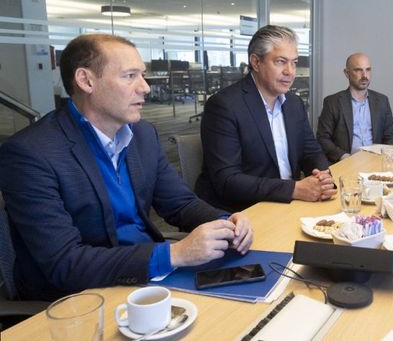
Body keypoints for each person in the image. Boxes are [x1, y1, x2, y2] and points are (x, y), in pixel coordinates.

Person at [0, 34, 253, 301]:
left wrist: (226, 222)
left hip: (149, 275)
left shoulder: (142, 134)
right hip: (82, 296)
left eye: (141, 75)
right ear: (86, 81)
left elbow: (180, 204)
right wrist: (175, 254)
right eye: (130, 76)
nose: (144, 87)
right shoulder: (30, 153)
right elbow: (65, 263)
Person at [196, 25, 335, 211]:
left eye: (294, 62)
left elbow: (311, 152)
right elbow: (227, 180)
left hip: (286, 203)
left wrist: (322, 176)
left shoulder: (293, 103)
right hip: (243, 211)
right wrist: (294, 189)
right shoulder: (224, 106)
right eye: (280, 61)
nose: (290, 71)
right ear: (256, 62)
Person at [316, 52, 393, 162]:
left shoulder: (382, 101)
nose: (364, 76)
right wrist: (345, 157)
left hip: (376, 162)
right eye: (358, 70)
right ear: (346, 73)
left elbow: (390, 136)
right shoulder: (332, 102)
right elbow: (323, 139)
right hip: (346, 162)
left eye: (368, 70)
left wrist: (384, 158)